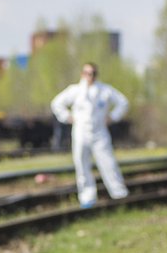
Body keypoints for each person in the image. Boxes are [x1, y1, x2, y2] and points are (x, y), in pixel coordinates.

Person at [50, 62, 129, 208]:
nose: (89, 76)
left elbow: (123, 103)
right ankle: (87, 198)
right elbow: (56, 104)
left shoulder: (105, 90)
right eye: (86, 73)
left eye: (92, 73)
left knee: (109, 164)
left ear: (96, 75)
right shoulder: (74, 91)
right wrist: (67, 117)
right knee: (82, 165)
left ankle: (119, 194)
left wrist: (112, 117)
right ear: (82, 74)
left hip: (100, 133)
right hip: (81, 133)